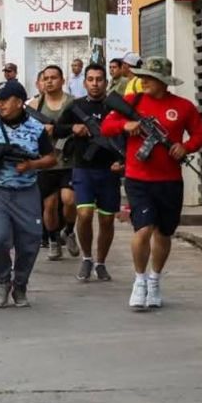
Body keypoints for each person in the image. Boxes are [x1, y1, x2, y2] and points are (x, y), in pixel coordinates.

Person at [101, 57, 202, 310]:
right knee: (143, 229)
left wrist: (185, 147)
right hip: (138, 178)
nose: (142, 80)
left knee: (163, 232)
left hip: (169, 180)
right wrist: (127, 125)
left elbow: (200, 134)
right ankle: (139, 280)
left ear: (162, 81)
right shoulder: (132, 102)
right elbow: (106, 126)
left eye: (148, 77)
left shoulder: (183, 107)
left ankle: (155, 279)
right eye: (141, 76)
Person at [0, 80, 57, 308]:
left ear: (19, 102)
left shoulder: (37, 128)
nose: (0, 105)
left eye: (5, 100)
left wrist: (31, 165)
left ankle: (20, 284)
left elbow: (51, 159)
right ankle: (3, 281)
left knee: (30, 241)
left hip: (27, 191)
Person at [54, 64, 122, 282]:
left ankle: (101, 263)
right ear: (84, 82)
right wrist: (72, 128)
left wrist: (122, 161)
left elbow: (128, 136)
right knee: (84, 215)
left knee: (107, 220)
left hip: (109, 170)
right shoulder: (76, 107)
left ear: (105, 81)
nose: (95, 84)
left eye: (99, 79)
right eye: (90, 79)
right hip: (83, 168)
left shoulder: (116, 107)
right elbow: (56, 128)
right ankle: (86, 257)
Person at [28, 65, 77, 260]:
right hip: (45, 162)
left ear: (62, 80)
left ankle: (70, 231)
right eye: (46, 78)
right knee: (49, 206)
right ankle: (54, 239)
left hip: (69, 160)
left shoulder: (73, 103)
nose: (49, 81)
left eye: (54, 77)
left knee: (69, 200)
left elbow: (81, 127)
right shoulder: (34, 105)